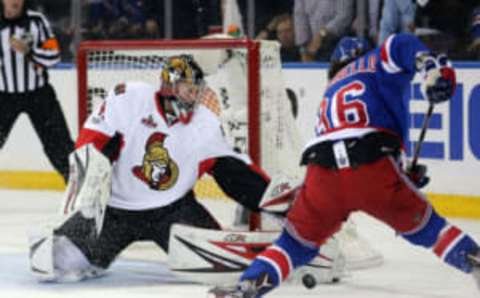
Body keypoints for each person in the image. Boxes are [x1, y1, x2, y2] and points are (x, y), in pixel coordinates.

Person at [208, 34, 480, 297]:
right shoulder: (375, 61)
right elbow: (400, 43)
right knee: (431, 229)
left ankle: (246, 289)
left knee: (293, 245)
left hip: (321, 173)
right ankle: (476, 262)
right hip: (370, 163)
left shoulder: (333, 86)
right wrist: (429, 63)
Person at [28, 55, 272, 282]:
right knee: (56, 261)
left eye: (198, 90)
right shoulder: (129, 98)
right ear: (170, 87)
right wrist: (89, 180)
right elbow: (91, 142)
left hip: (174, 211)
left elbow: (236, 174)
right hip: (115, 212)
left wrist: (275, 200)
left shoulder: (205, 124)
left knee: (227, 265)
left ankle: (280, 254)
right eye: (189, 90)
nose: (195, 97)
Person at [0, 0, 73, 182]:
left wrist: (29, 52)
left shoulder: (37, 21)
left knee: (59, 146)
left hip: (39, 95)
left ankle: (78, 190)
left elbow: (53, 56)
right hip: (3, 97)